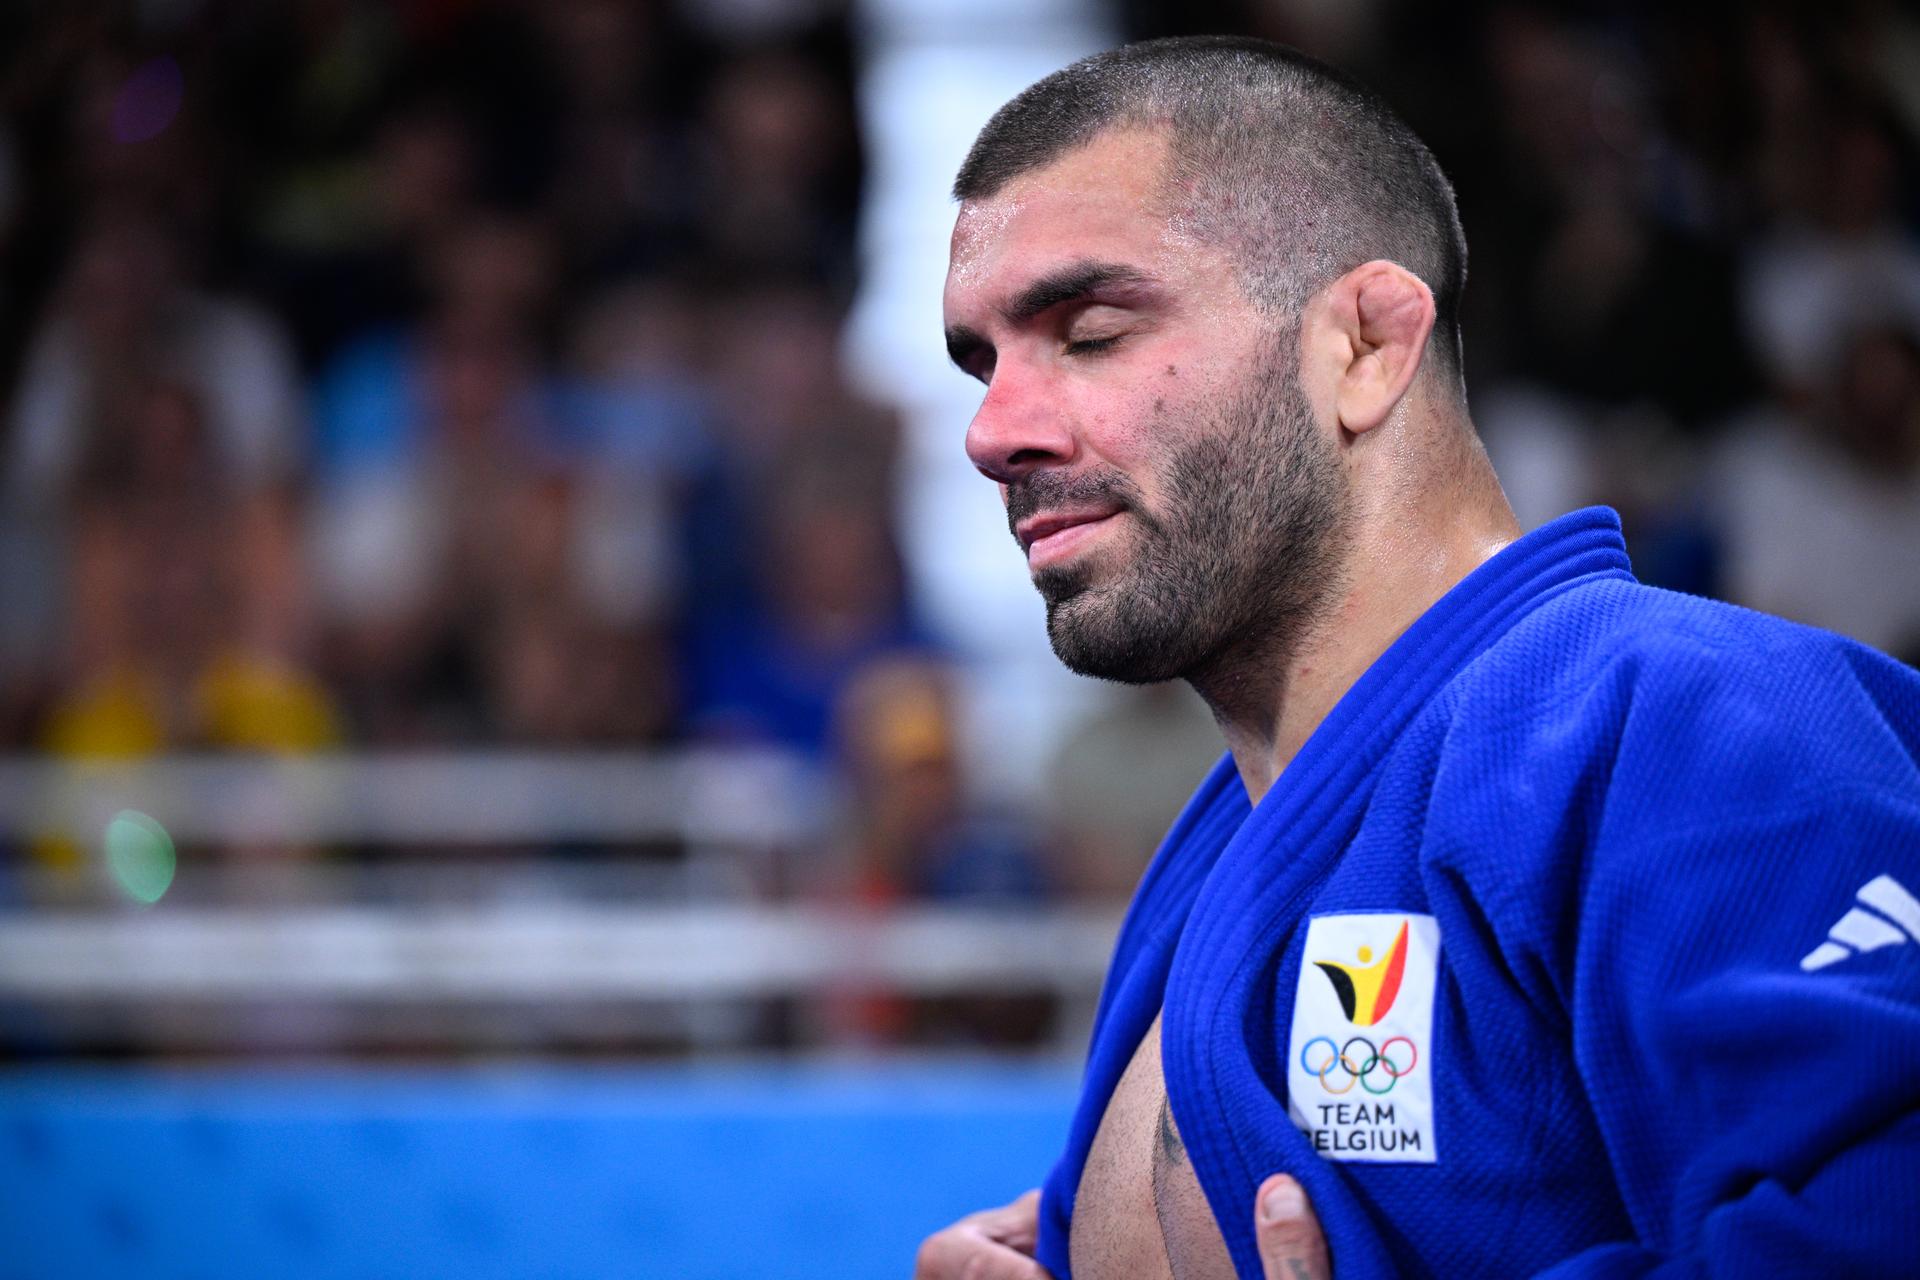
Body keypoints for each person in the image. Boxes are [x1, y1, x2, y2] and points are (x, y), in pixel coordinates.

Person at [916, 36, 1920, 1280]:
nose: (989, 433)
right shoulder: (1226, 845)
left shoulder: (1690, 717)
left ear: (1367, 344)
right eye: (982, 361)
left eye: (1091, 330)